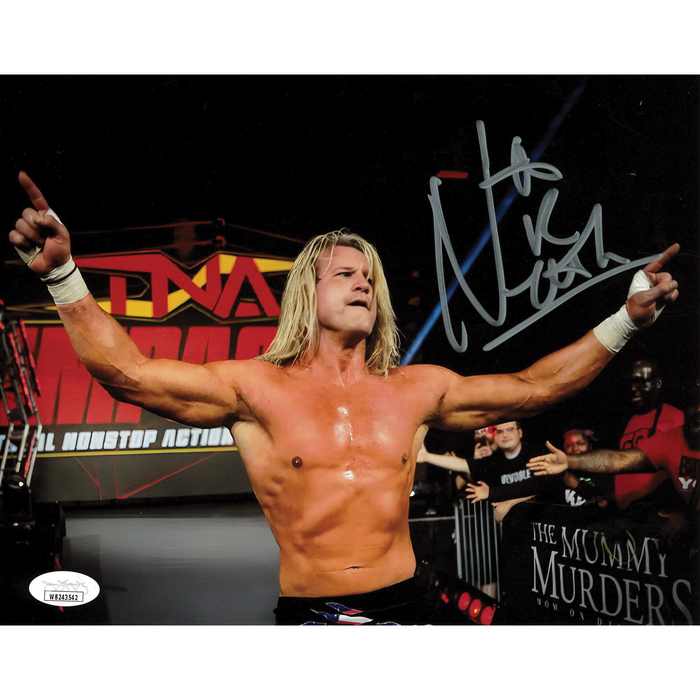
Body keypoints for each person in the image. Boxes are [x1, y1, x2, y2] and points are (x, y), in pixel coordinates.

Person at [8, 171, 680, 625]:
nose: (363, 284)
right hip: (319, 615)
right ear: (308, 291)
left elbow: (536, 388)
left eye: (370, 278)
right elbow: (128, 373)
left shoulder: (416, 388)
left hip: (412, 603)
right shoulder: (254, 387)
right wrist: (64, 276)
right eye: (346, 274)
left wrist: (625, 320)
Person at [527, 383, 700, 537]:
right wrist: (568, 461)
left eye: (580, 443)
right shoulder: (671, 439)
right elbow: (616, 459)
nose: (698, 410)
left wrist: (685, 516)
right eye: (694, 403)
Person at [615, 359, 685, 509]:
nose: (633, 388)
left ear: (658, 383)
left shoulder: (674, 417)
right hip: (625, 515)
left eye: (641, 381)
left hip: (655, 514)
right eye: (631, 382)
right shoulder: (627, 421)